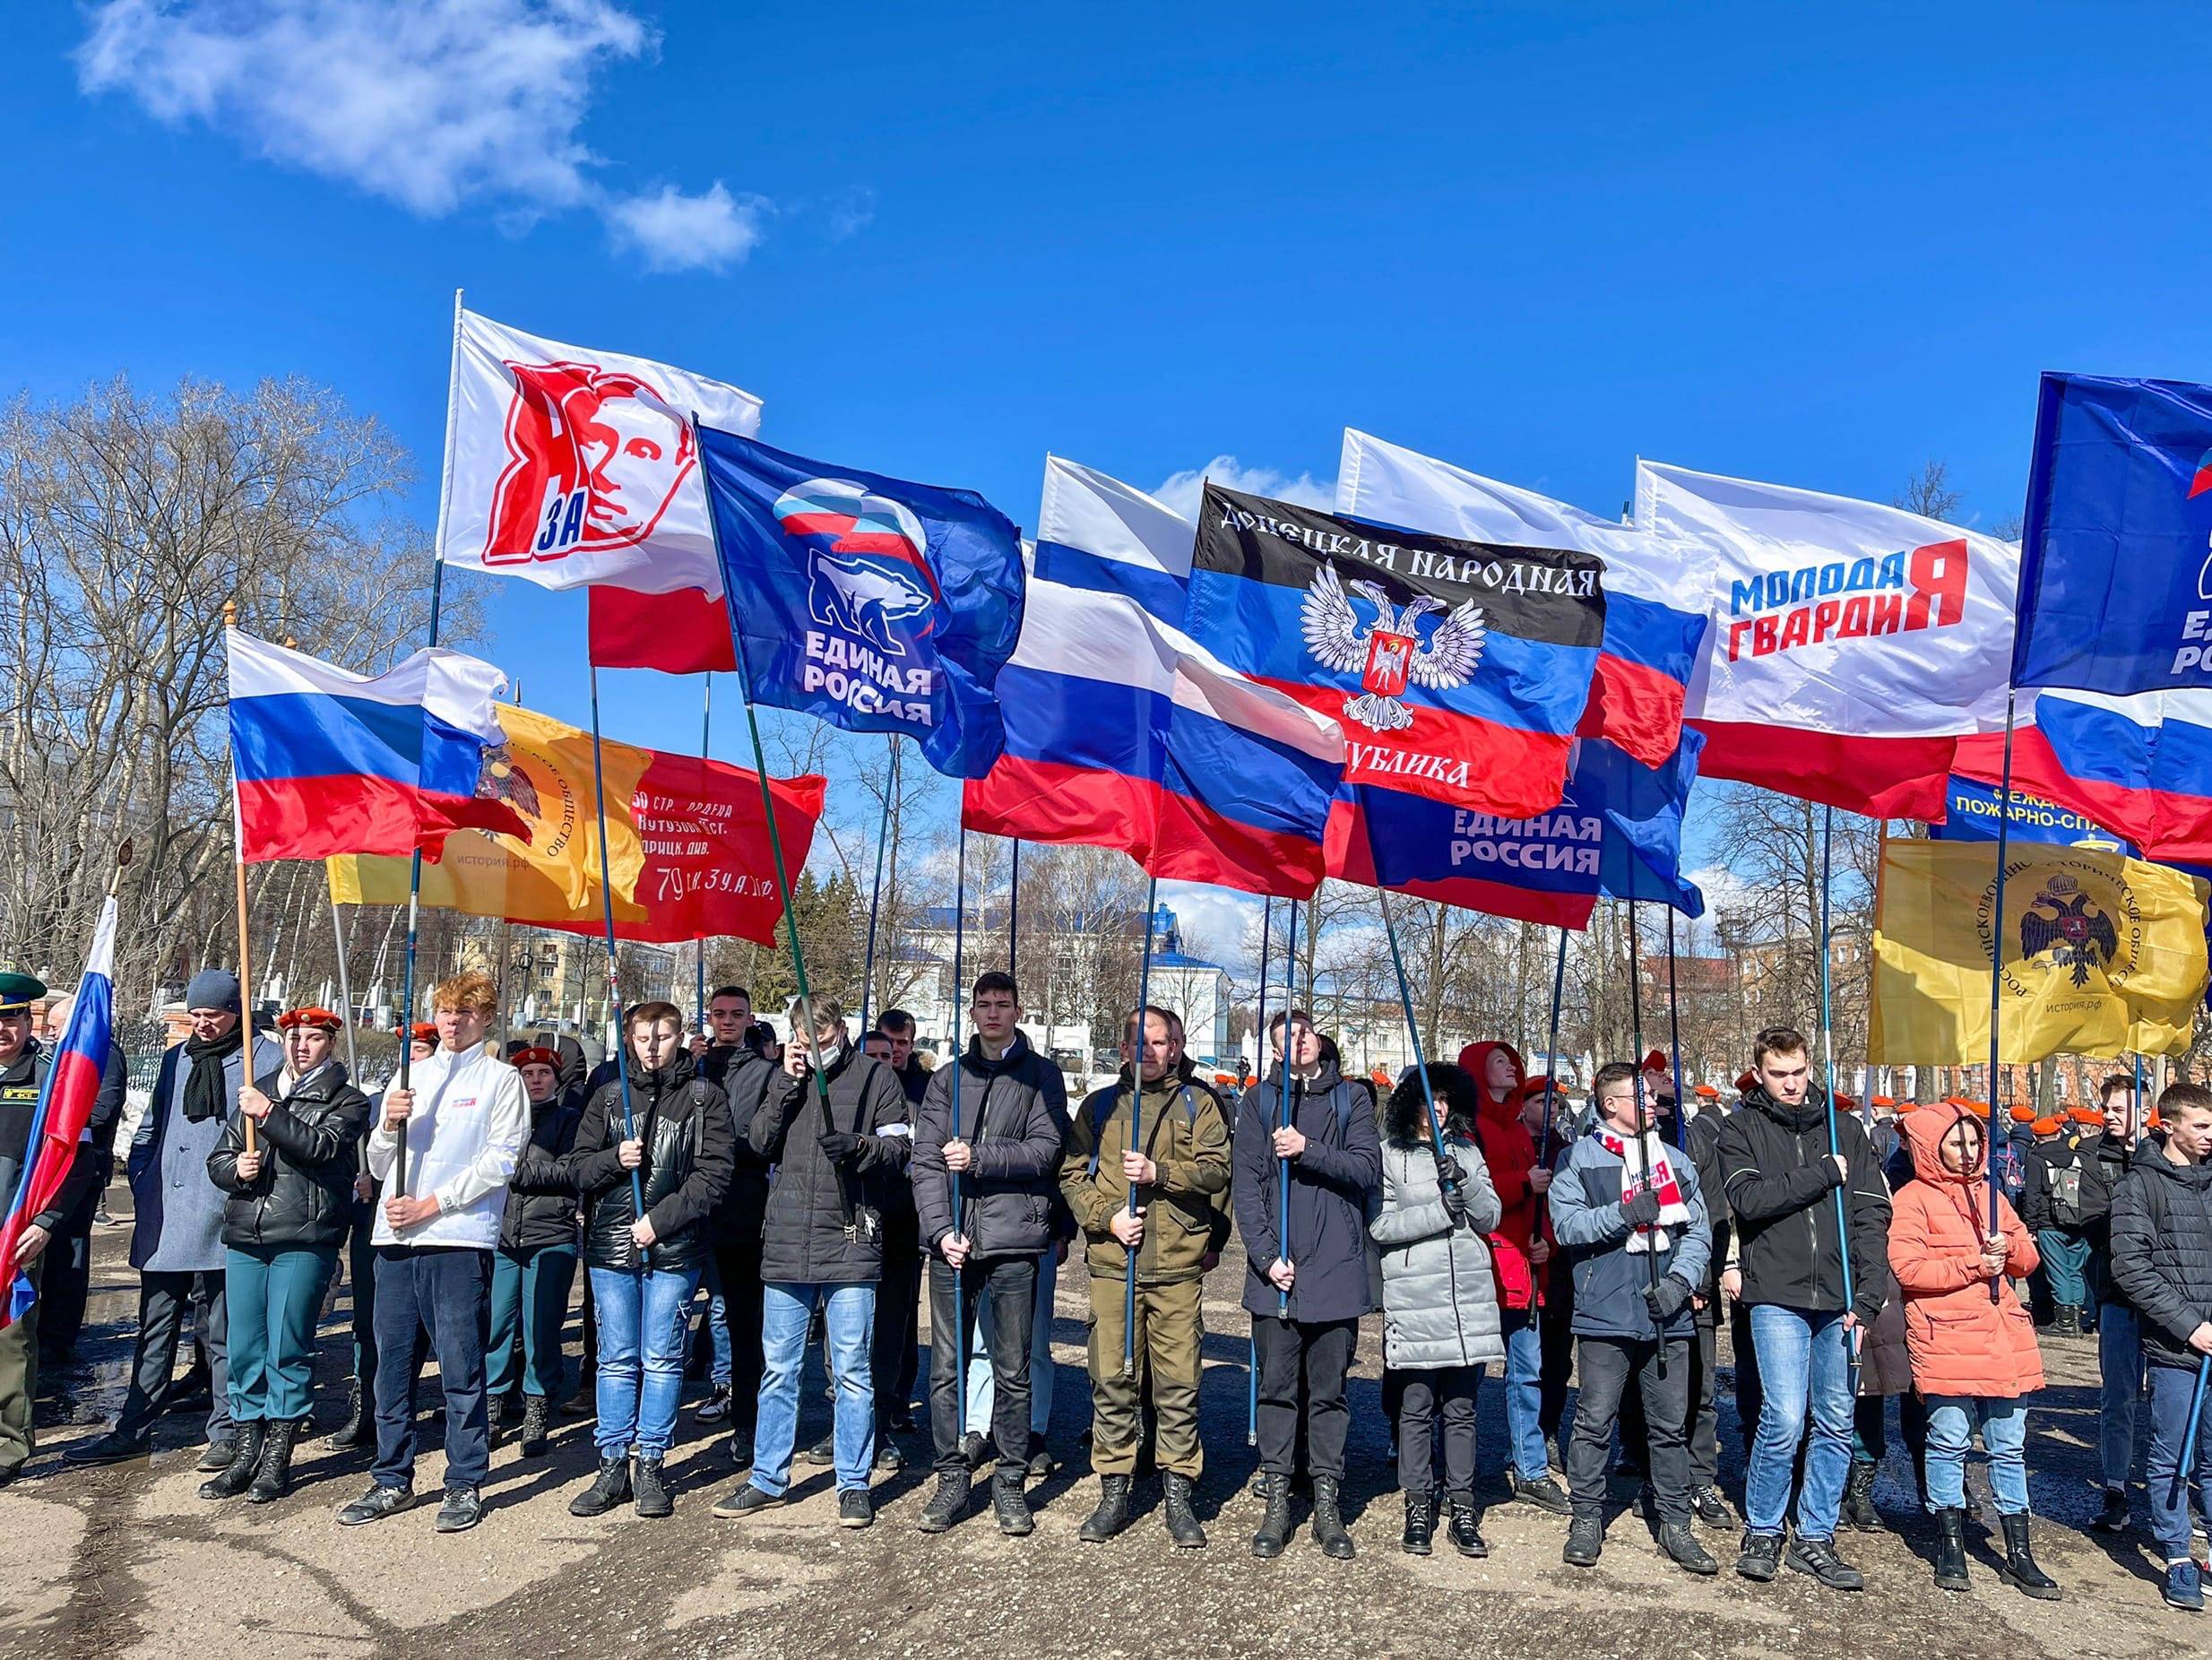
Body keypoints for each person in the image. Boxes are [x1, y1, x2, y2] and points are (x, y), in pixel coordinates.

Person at [336, 973, 527, 1535]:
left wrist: (433, 1205)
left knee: (460, 1367)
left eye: (465, 1012)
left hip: (458, 1239)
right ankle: (391, 1477)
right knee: (390, 1367)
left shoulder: (501, 1081)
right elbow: (376, 1160)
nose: (452, 1020)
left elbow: (500, 1160)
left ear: (486, 1019)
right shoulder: (409, 1076)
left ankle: (464, 1480)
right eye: (445, 1010)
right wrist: (388, 1126)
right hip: (395, 1241)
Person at [68, 971, 281, 1471]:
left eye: (214, 1016)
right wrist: (143, 1176)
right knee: (155, 1327)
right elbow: (151, 1126)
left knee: (224, 1331)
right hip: (167, 1212)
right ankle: (133, 1426)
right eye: (196, 1016)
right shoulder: (175, 1059)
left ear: (237, 1013)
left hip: (229, 1209)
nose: (203, 1025)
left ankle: (227, 1431)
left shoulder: (263, 1059)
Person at [713, 995, 909, 1529]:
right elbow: (757, 1144)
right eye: (804, 1044)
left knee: (851, 1370)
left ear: (840, 1032)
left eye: (822, 1044)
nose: (815, 1053)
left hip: (850, 1238)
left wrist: (861, 1147)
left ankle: (853, 1482)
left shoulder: (876, 1077)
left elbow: (899, 1150)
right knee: (779, 1369)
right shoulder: (781, 1076)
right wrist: (785, 1084)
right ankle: (767, 1477)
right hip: (786, 1240)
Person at [1716, 1027, 1892, 1591]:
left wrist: (1868, 1298)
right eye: (1778, 1074)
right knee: (1785, 1416)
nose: (1790, 1085)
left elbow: (1869, 1217)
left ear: (1810, 1066)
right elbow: (1749, 1200)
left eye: (1798, 1072)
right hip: (1776, 1294)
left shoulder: (1847, 1129)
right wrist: (1822, 1174)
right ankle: (1764, 1527)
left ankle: (1816, 1535)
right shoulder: (1739, 1127)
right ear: (1759, 1073)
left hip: (1840, 1296)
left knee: (1836, 1420)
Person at [1060, 1005, 1231, 1546]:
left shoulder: (1199, 1102)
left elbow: (1217, 1171)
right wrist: (1105, 1216)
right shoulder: (1099, 1107)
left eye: (1157, 1042)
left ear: (1175, 1047)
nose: (1146, 1051)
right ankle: (1114, 1486)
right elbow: (1070, 1174)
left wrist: (1163, 1173)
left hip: (1177, 1266)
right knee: (1112, 1377)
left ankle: (1179, 1489)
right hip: (1116, 1264)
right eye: (1136, 1040)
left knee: (1179, 1382)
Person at [560, 1002, 734, 1521]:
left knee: (661, 1356)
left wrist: (661, 1221)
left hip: (674, 1247)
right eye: (643, 1037)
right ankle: (612, 1460)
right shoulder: (608, 1096)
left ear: (680, 1037)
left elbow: (714, 1175)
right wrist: (616, 1159)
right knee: (615, 1358)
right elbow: (576, 1168)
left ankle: (651, 1460)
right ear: (629, 1039)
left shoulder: (705, 1098)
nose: (652, 1047)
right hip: (612, 1247)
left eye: (662, 1036)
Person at [909, 971, 1067, 1535]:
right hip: (953, 1246)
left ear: (1018, 1010)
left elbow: (1046, 1152)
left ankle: (1010, 1479)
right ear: (971, 1011)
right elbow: (925, 1161)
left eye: (1003, 1004)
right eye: (983, 1004)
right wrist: (939, 1230)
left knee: (1013, 1368)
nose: (993, 1012)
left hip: (1014, 1243)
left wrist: (979, 1156)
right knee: (946, 1368)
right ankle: (952, 1477)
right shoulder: (948, 1079)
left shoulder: (1042, 1077)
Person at [1549, 1062, 1716, 1576]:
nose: (1650, 1104)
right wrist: (1622, 1214)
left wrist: (1679, 1284)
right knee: (1594, 1421)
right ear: (1609, 1105)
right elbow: (1566, 1227)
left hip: (1668, 1315)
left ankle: (1675, 1522)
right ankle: (1586, 1517)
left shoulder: (1676, 1161)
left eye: (1651, 1096)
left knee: (1669, 1427)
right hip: (1605, 1312)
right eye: (1638, 1097)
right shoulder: (1577, 1158)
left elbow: (1699, 1231)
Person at [1887, 1102, 2058, 1598]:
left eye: (1973, 1142)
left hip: (2003, 1338)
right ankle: (1950, 1541)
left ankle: (2019, 1552)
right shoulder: (1912, 1199)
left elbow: (2027, 1258)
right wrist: (1973, 1262)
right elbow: (1908, 1270)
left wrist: (2012, 1249)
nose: (1968, 1153)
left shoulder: (1991, 1194)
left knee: (2009, 1447)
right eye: (1956, 1143)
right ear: (1930, 1145)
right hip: (1946, 1338)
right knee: (1949, 1442)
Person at [200, 1006, 370, 1503]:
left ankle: (277, 1456)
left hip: (304, 1236)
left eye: (313, 1038)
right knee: (244, 1346)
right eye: (294, 1037)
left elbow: (320, 1147)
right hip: (247, 1235)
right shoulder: (264, 1087)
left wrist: (269, 1114)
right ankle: (244, 1449)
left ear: (330, 1045)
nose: (301, 1046)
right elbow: (218, 1158)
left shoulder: (347, 1099)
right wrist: (238, 1169)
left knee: (286, 1346)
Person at [1233, 1006, 1383, 1561]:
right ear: (1275, 1050)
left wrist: (1308, 1150)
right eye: (1285, 1039)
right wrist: (1267, 1256)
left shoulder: (1353, 1098)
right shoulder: (1258, 1102)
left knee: (1329, 1394)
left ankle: (1327, 1503)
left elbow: (1366, 1169)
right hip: (1277, 1273)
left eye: (1304, 1034)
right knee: (1276, 1390)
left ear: (1317, 1039)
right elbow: (1246, 1188)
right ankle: (1277, 1499)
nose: (1297, 1044)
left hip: (1337, 1269)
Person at [1369, 1061, 1503, 1558]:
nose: (1439, 1108)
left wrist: (1464, 1181)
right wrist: (1438, 1212)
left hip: (1466, 1299)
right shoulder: (1388, 1155)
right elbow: (1381, 1227)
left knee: (1464, 1409)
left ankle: (1463, 1504)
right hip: (1416, 1299)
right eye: (1429, 1099)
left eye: (1445, 1099)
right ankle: (1418, 1503)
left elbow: (1490, 1216)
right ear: (1412, 1104)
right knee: (1417, 1407)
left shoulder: (1468, 1150)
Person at [2109, 1082, 2212, 1612]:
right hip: (2179, 1347)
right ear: (2168, 1124)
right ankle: (2176, 1554)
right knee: (2174, 1455)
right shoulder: (2139, 1186)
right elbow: (2131, 1268)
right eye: (2201, 1125)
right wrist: (2190, 1325)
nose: (2210, 1136)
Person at [0, 971, 102, 1486]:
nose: (2, 1028)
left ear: (28, 1019)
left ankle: (8, 1445)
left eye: (11, 1016)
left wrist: (46, 1222)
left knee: (11, 1339)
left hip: (15, 1234)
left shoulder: (50, 1082)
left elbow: (79, 1162)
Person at [1460, 1042, 1569, 1514]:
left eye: (1512, 1060)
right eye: (1498, 1060)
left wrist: (1547, 1241)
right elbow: (1470, 1194)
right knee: (1467, 1378)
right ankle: (1456, 1473)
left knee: (1528, 1374)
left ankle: (1531, 1468)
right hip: (1484, 1267)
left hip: (1526, 1270)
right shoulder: (1472, 1129)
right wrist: (1524, 1181)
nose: (1511, 1066)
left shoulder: (1523, 1132)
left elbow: (1539, 1203)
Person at [329, 1022, 437, 1454]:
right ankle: (366, 1405)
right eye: (406, 1052)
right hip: (375, 1221)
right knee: (368, 1320)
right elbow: (362, 1152)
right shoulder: (376, 1101)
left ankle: (417, 1402)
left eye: (420, 1051)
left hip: (429, 1221)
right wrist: (364, 1174)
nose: (410, 1059)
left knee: (421, 1326)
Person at [484, 1045, 583, 1460]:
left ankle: (538, 1405)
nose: (536, 1080)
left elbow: (571, 1169)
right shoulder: (502, 1120)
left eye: (544, 1073)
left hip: (550, 1234)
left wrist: (518, 1171)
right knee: (496, 1324)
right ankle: (491, 1401)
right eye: (527, 1074)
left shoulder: (569, 1121)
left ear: (556, 1080)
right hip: (503, 1236)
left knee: (541, 1326)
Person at [30, 990, 128, 1371]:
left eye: (55, 1026)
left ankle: (59, 1339)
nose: (49, 1033)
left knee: (68, 1257)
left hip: (81, 1168)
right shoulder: (58, 1055)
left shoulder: (103, 1053)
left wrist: (61, 1118)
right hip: (48, 1168)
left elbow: (102, 1109)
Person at [698, 990, 775, 1464]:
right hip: (687, 1209)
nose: (727, 1022)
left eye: (736, 1015)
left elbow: (763, 1142)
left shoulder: (765, 1073)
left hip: (741, 1210)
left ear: (749, 1018)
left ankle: (747, 1419)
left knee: (744, 1322)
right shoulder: (693, 1068)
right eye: (719, 1015)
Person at [2078, 1074, 2155, 1534]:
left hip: (2173, 1298)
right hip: (2117, 1293)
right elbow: (2090, 1219)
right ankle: (2117, 1488)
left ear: (2145, 1111)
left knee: (2173, 1401)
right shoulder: (2091, 1156)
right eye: (2107, 1107)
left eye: (2120, 1108)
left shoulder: (2168, 1153)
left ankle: (2175, 1486)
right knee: (2118, 1396)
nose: (2110, 1115)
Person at [867, 1007, 929, 1453]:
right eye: (886, 1043)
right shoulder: (859, 1084)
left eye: (902, 1044)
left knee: (900, 1318)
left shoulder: (926, 1090)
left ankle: (894, 1402)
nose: (894, 1052)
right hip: (860, 1217)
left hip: (906, 1218)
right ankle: (852, 1411)